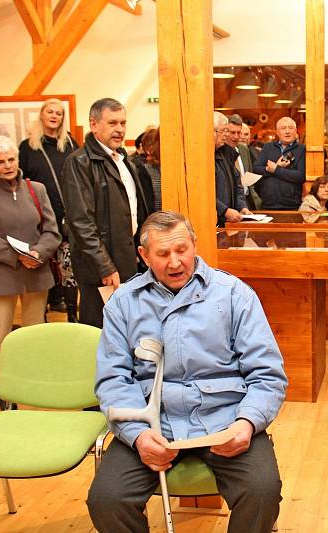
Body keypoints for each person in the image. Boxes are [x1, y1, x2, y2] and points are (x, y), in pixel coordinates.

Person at [87, 211, 287, 533]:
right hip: (153, 422)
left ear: (195, 244)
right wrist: (138, 436)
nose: (175, 262)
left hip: (225, 418)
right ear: (144, 256)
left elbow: (267, 373)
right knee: (107, 500)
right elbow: (113, 378)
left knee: (262, 491)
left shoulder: (234, 294)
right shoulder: (123, 302)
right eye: (163, 254)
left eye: (182, 249)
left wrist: (248, 422)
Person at [0, 136, 61, 407]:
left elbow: (51, 231)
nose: (7, 165)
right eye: (0, 162)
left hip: (36, 271)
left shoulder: (37, 189)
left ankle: (34, 384)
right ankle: (5, 391)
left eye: (11, 159)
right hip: (0, 273)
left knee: (35, 333)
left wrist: (38, 254)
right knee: (0, 335)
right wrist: (17, 257)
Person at [62, 98, 151, 328]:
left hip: (128, 262)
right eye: (112, 123)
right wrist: (105, 266)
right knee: (100, 333)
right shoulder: (79, 162)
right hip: (100, 268)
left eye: (123, 123)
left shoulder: (123, 159)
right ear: (93, 124)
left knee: (127, 329)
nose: (120, 129)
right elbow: (81, 222)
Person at [18, 98, 80, 320]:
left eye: (59, 113)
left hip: (69, 214)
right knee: (41, 264)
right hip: (40, 214)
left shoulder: (71, 146)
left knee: (67, 265)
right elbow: (21, 181)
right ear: (42, 115)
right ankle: (40, 315)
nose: (54, 116)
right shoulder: (28, 147)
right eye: (50, 112)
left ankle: (72, 314)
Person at [253, 117, 306, 210]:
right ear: (277, 132)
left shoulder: (302, 149)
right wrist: (270, 169)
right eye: (283, 128)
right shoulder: (268, 147)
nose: (287, 131)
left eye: (290, 128)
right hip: (267, 204)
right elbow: (256, 169)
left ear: (296, 131)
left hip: (292, 205)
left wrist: (276, 169)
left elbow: (300, 176)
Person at [214, 112, 250, 226]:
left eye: (226, 131)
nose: (225, 135)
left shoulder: (227, 154)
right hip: (217, 219)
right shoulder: (204, 157)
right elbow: (204, 193)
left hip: (228, 220)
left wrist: (242, 207)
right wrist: (224, 210)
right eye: (223, 131)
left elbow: (237, 186)